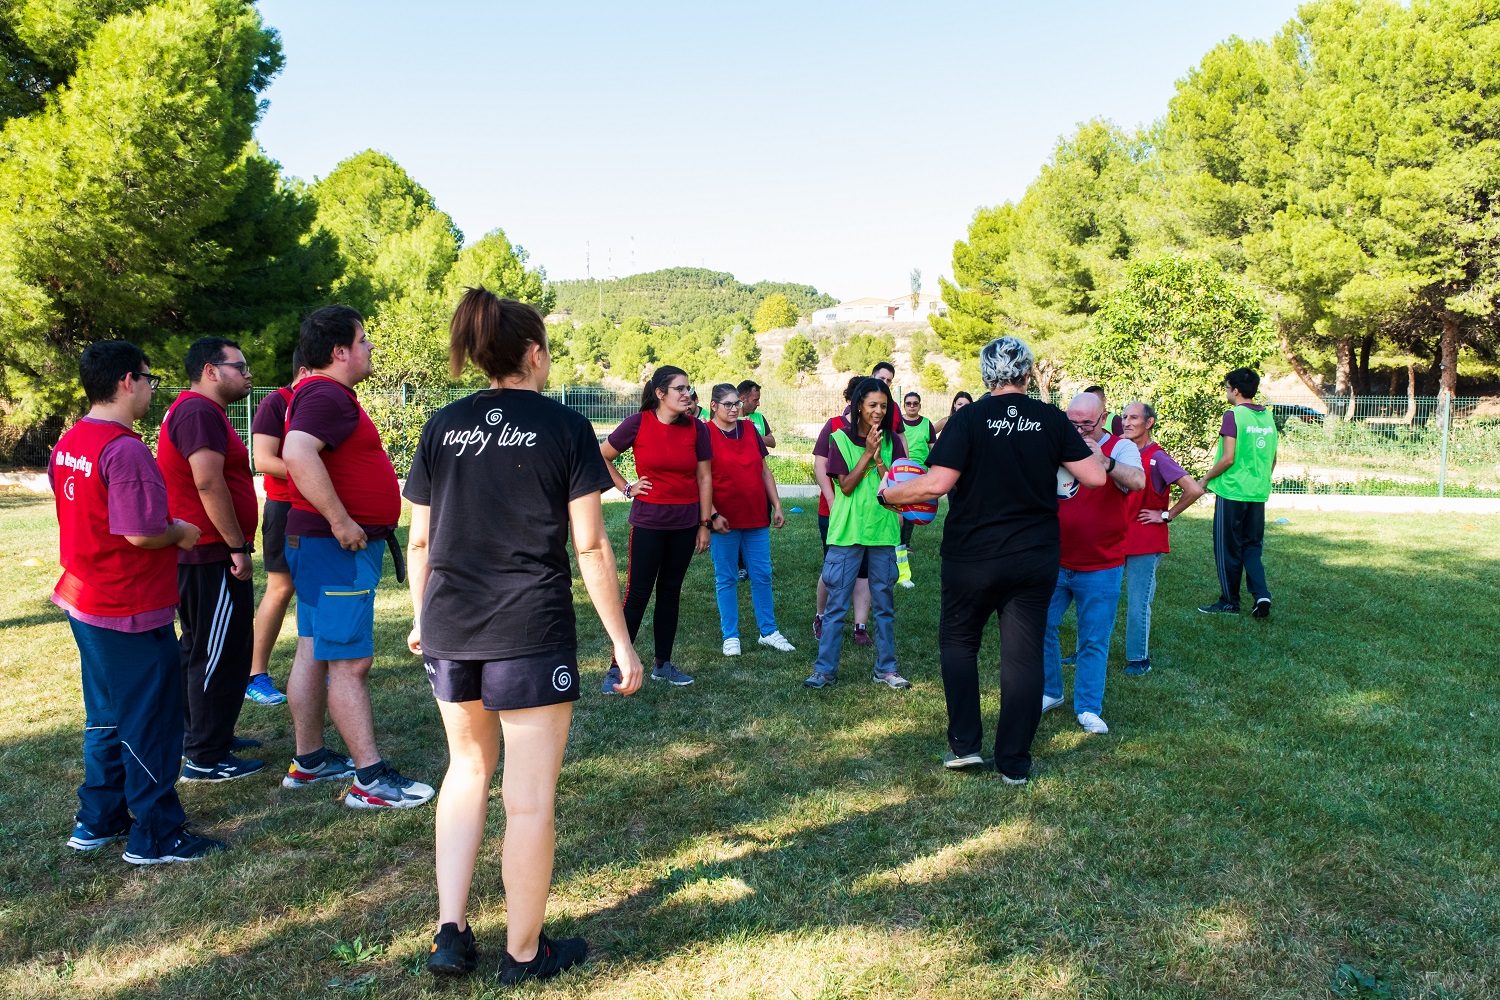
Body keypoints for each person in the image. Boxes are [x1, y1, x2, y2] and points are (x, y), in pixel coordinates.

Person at [405, 289, 644, 986]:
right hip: (528, 630)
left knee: (467, 772)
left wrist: (424, 617)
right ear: (534, 354)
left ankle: (450, 934)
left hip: (451, 624)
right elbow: (592, 547)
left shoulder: (443, 425)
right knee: (529, 798)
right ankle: (523, 953)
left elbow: (418, 539)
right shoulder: (565, 427)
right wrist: (622, 644)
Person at [880, 337, 1101, 783]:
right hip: (1034, 557)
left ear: (987, 374)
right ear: (1026, 374)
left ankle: (966, 746)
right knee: (1022, 658)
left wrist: (890, 495)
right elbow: (1094, 476)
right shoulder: (1050, 418)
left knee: (960, 646)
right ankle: (1014, 762)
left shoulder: (969, 418)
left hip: (973, 555)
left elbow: (936, 484)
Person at [51, 340, 226, 863]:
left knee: (106, 714)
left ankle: (99, 819)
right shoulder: (124, 448)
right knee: (151, 718)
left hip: (86, 599)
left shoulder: (70, 441)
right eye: (149, 378)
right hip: (126, 606)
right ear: (128, 381)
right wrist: (182, 531)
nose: (152, 387)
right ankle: (156, 833)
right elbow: (141, 533)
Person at [281, 305, 435, 809]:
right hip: (335, 548)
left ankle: (309, 762)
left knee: (313, 648)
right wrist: (341, 520)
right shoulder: (326, 393)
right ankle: (370, 782)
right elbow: (298, 453)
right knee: (349, 662)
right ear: (340, 351)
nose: (370, 349)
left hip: (320, 547)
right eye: (363, 340)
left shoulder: (319, 393)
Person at [156, 337, 264, 782]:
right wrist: (236, 546)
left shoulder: (200, 411)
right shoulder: (199, 412)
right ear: (211, 370)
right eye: (240, 366)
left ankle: (206, 733)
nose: (248, 375)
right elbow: (207, 482)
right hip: (209, 554)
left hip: (203, 553)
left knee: (202, 646)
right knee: (217, 651)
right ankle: (204, 754)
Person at [599, 365, 712, 690]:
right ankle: (616, 669)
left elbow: (704, 477)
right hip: (649, 522)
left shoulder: (697, 429)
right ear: (660, 393)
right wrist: (625, 487)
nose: (686, 395)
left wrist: (704, 524)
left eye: (688, 388)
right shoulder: (639, 423)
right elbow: (602, 455)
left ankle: (663, 664)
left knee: (670, 593)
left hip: (685, 523)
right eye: (679, 388)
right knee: (637, 595)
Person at [1043, 392, 1146, 735]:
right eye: (1071, 422)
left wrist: (1105, 463)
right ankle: (1050, 691)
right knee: (1040, 626)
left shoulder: (1120, 447)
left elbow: (1139, 481)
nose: (1078, 429)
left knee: (1094, 639)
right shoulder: (1056, 442)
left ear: (1103, 419)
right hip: (1054, 559)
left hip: (1102, 563)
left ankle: (1088, 707)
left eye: (1086, 423)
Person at [805, 377, 911, 690]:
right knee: (837, 604)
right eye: (872, 405)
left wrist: (880, 460)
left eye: (883, 405)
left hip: (883, 531)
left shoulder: (894, 441)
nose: (879, 411)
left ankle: (886, 669)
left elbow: (896, 488)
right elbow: (846, 486)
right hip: (846, 531)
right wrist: (867, 454)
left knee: (884, 606)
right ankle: (824, 670)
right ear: (859, 406)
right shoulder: (838, 438)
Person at [703, 383, 795, 655]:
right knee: (726, 578)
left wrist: (777, 505)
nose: (734, 409)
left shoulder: (750, 430)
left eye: (737, 404)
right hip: (724, 521)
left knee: (762, 574)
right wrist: (712, 515)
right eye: (728, 404)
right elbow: (701, 479)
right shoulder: (705, 433)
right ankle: (730, 635)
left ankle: (768, 631)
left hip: (756, 516)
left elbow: (764, 470)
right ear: (713, 406)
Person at [246, 349, 310, 706]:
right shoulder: (276, 403)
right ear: (303, 369)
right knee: (281, 587)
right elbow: (264, 460)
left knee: (312, 588)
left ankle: (315, 666)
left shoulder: (327, 401)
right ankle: (255, 675)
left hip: (318, 509)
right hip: (285, 507)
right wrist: (313, 474)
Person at [1120, 402, 1205, 675]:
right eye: (1123, 417)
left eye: (1134, 417)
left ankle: (1138, 660)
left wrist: (1166, 515)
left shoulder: (1157, 457)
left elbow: (1193, 489)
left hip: (1145, 540)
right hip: (1116, 537)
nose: (1126, 422)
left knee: (1137, 600)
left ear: (1149, 423)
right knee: (1099, 597)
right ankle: (1086, 652)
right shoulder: (1122, 452)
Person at [1197, 367, 1278, 618]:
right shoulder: (1267, 416)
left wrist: (1206, 478)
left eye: (1226, 387)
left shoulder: (1233, 415)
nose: (1226, 392)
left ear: (1235, 390)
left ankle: (1229, 602)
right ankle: (1261, 594)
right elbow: (1273, 458)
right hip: (1257, 492)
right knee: (1252, 546)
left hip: (1232, 492)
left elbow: (1228, 458)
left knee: (1227, 548)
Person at [811, 376, 873, 645]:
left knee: (864, 570)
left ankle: (860, 626)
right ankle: (821, 617)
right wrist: (834, 501)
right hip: (834, 511)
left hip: (868, 515)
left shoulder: (878, 429)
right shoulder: (834, 426)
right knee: (833, 569)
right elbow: (820, 467)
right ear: (851, 400)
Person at [895, 390, 936, 588]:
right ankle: (897, 543)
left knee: (913, 510)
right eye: (909, 403)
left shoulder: (927, 423)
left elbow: (932, 446)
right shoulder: (897, 423)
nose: (912, 406)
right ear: (904, 405)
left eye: (915, 403)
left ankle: (906, 543)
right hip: (900, 472)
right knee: (898, 511)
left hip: (920, 473)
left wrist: (933, 469)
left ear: (920, 405)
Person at [737, 379, 776, 448]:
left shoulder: (759, 417)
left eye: (758, 400)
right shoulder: (729, 418)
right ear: (742, 399)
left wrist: (753, 434)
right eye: (755, 400)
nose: (758, 404)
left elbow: (772, 442)